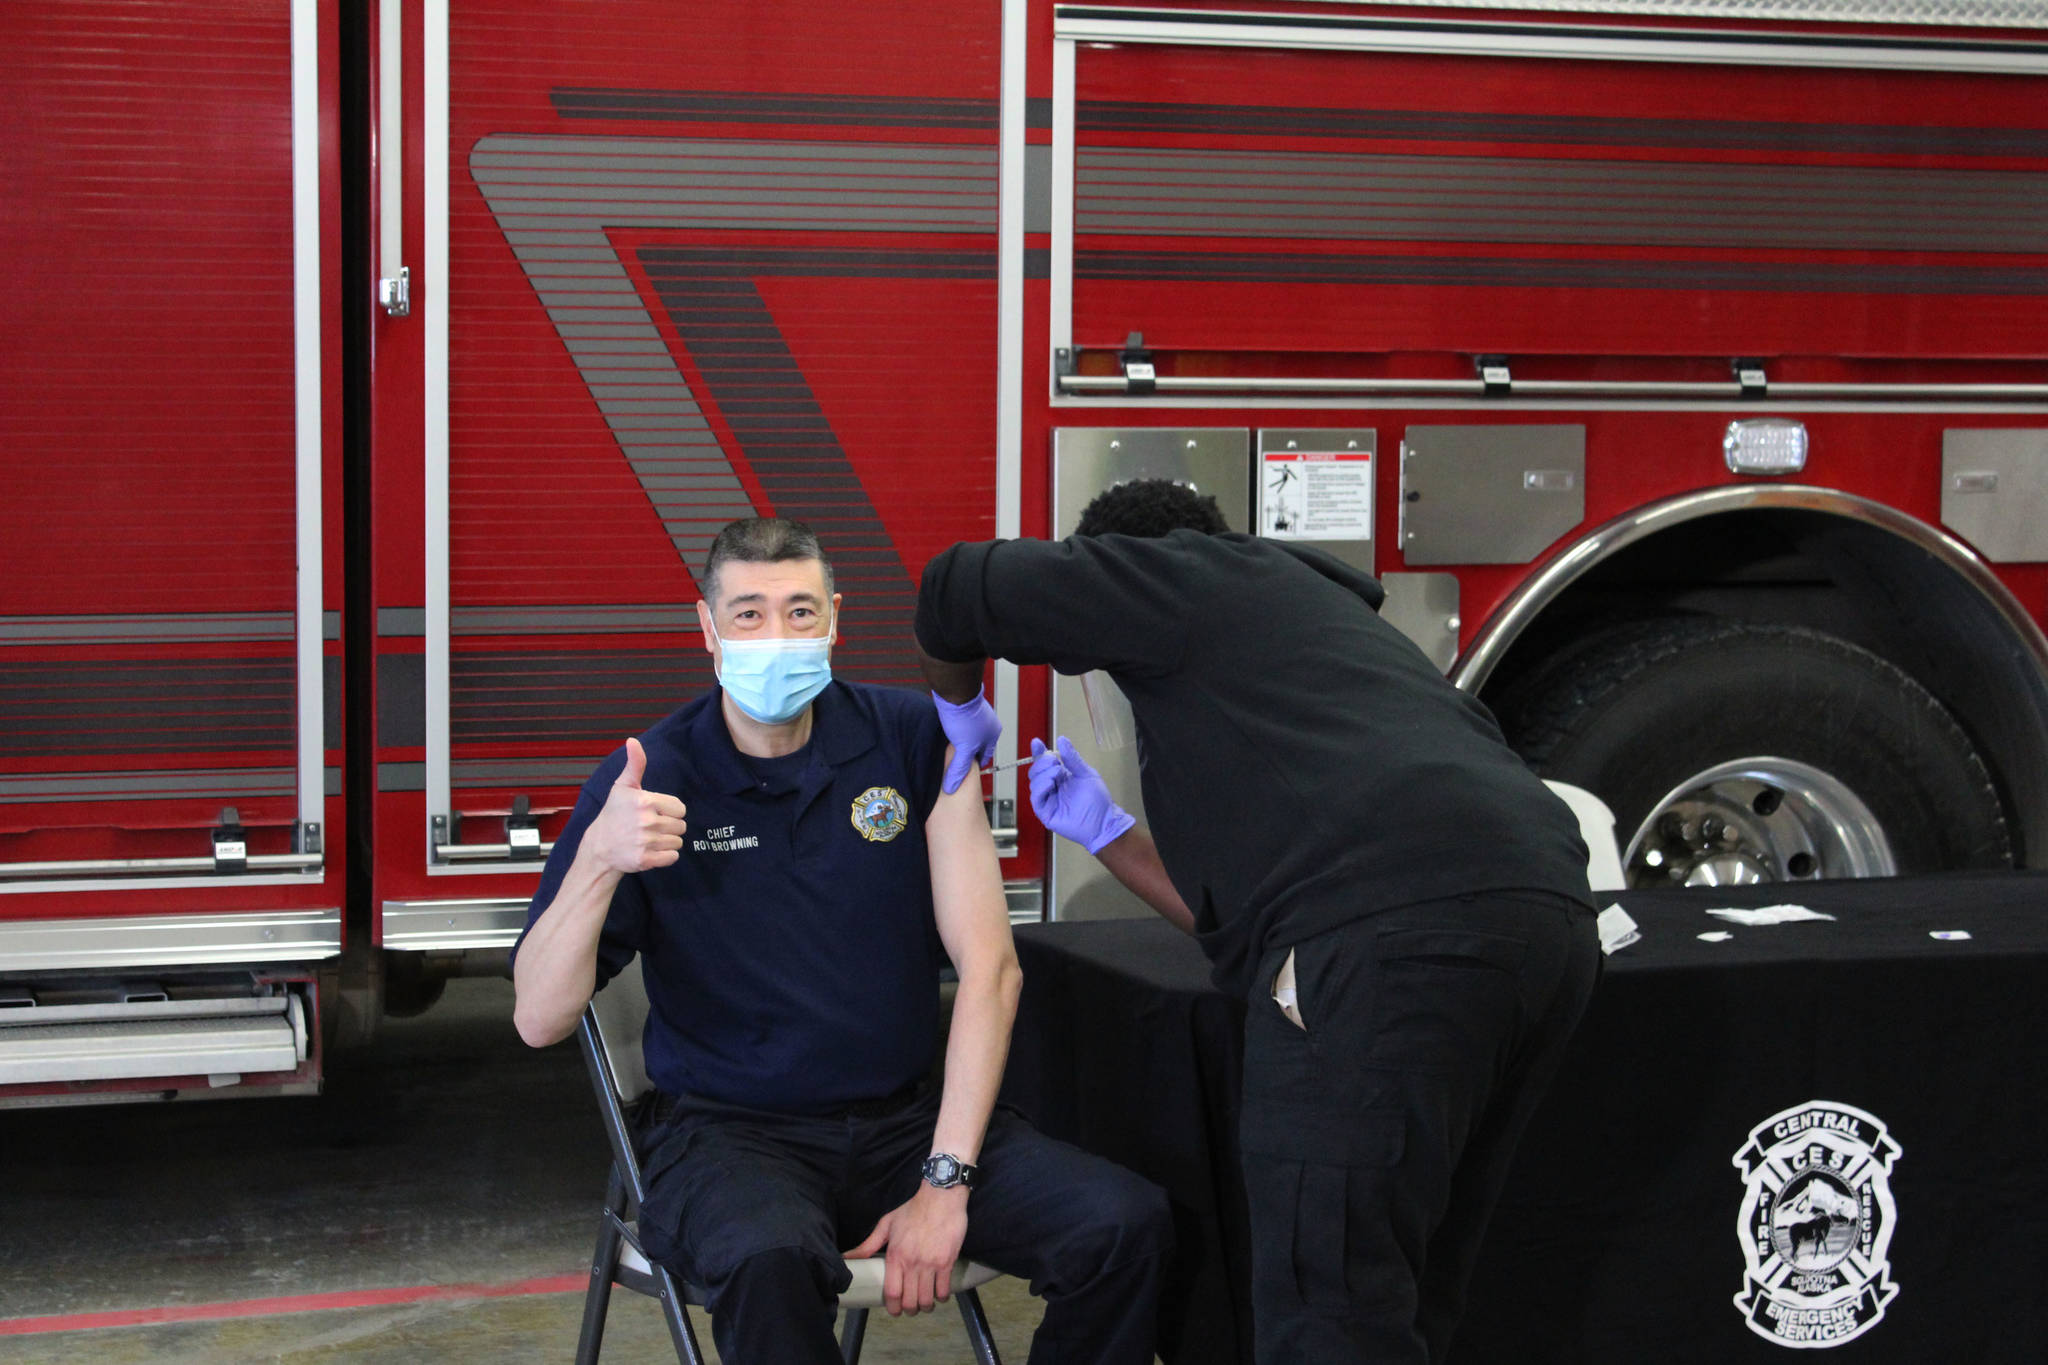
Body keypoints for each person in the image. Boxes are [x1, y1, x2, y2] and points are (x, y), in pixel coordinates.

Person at [914, 480, 1601, 1365]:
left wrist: (961, 711)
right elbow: (1243, 929)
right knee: (1407, 1293)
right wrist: (1112, 839)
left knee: (1330, 1308)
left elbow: (952, 588)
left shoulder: (1180, 577)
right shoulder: (1313, 643)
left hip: (1387, 939)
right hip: (1546, 928)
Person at [512, 517, 1170, 1365]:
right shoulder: (651, 775)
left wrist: (945, 1177)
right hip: (731, 1137)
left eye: (799, 611)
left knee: (1123, 1227)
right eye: (748, 615)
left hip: (907, 1124)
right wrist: (601, 858)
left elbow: (990, 970)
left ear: (834, 621)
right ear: (707, 628)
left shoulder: (910, 739)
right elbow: (537, 1016)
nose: (776, 636)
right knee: (769, 1261)